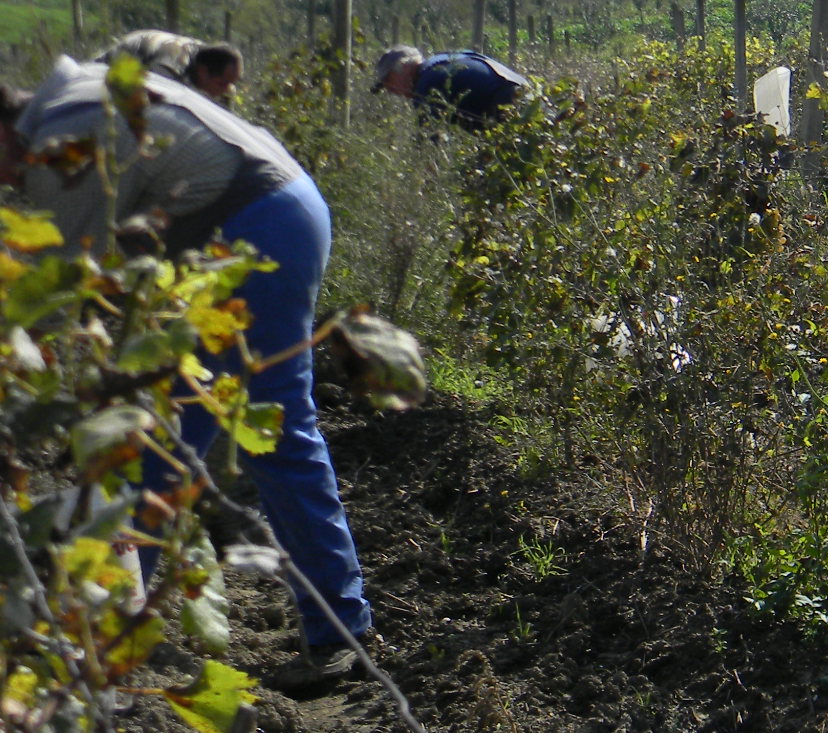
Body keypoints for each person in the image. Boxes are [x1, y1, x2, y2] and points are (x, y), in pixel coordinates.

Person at [1, 55, 373, 691]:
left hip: (256, 225)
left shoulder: (64, 135)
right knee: (162, 440)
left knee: (260, 431)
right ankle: (111, 630)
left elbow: (49, 296)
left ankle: (339, 631)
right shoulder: (75, 96)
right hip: (273, 211)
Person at [372, 44, 529, 127]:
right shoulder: (441, 61)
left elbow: (429, 143)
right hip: (529, 96)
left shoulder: (427, 83)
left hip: (509, 106)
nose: (390, 91)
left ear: (404, 68)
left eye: (389, 82)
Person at [98, 31, 243, 103]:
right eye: (222, 84)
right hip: (101, 74)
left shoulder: (204, 57)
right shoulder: (171, 66)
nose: (227, 91)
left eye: (231, 84)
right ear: (203, 72)